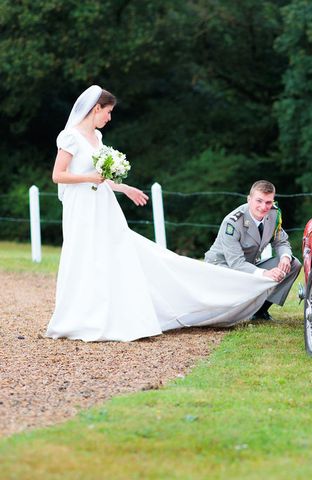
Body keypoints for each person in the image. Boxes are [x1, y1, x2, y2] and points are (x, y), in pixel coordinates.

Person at [46, 85, 276, 341]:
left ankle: (110, 314)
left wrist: (125, 188)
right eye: (108, 112)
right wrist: (89, 176)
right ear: (96, 108)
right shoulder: (69, 137)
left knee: (112, 255)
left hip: (103, 206)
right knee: (85, 255)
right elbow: (58, 175)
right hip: (82, 208)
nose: (109, 118)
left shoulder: (97, 139)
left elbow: (102, 179)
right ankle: (80, 317)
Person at [204, 180, 302, 321]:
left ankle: (260, 312)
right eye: (259, 201)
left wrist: (285, 257)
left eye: (268, 202)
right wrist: (265, 273)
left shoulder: (273, 214)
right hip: (223, 268)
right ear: (249, 199)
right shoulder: (232, 222)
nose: (263, 207)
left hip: (249, 266)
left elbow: (281, 241)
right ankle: (237, 310)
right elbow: (236, 263)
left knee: (294, 264)